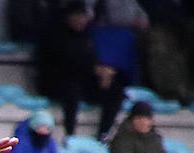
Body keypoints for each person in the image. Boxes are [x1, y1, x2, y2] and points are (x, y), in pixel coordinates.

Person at [36, 0, 127, 140]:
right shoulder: (54, 35)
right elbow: (62, 63)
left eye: (83, 16)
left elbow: (91, 59)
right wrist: (92, 69)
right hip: (56, 82)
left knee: (115, 91)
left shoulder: (86, 37)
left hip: (82, 82)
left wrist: (102, 73)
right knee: (71, 90)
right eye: (77, 16)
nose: (81, 20)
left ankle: (103, 134)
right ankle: (70, 135)